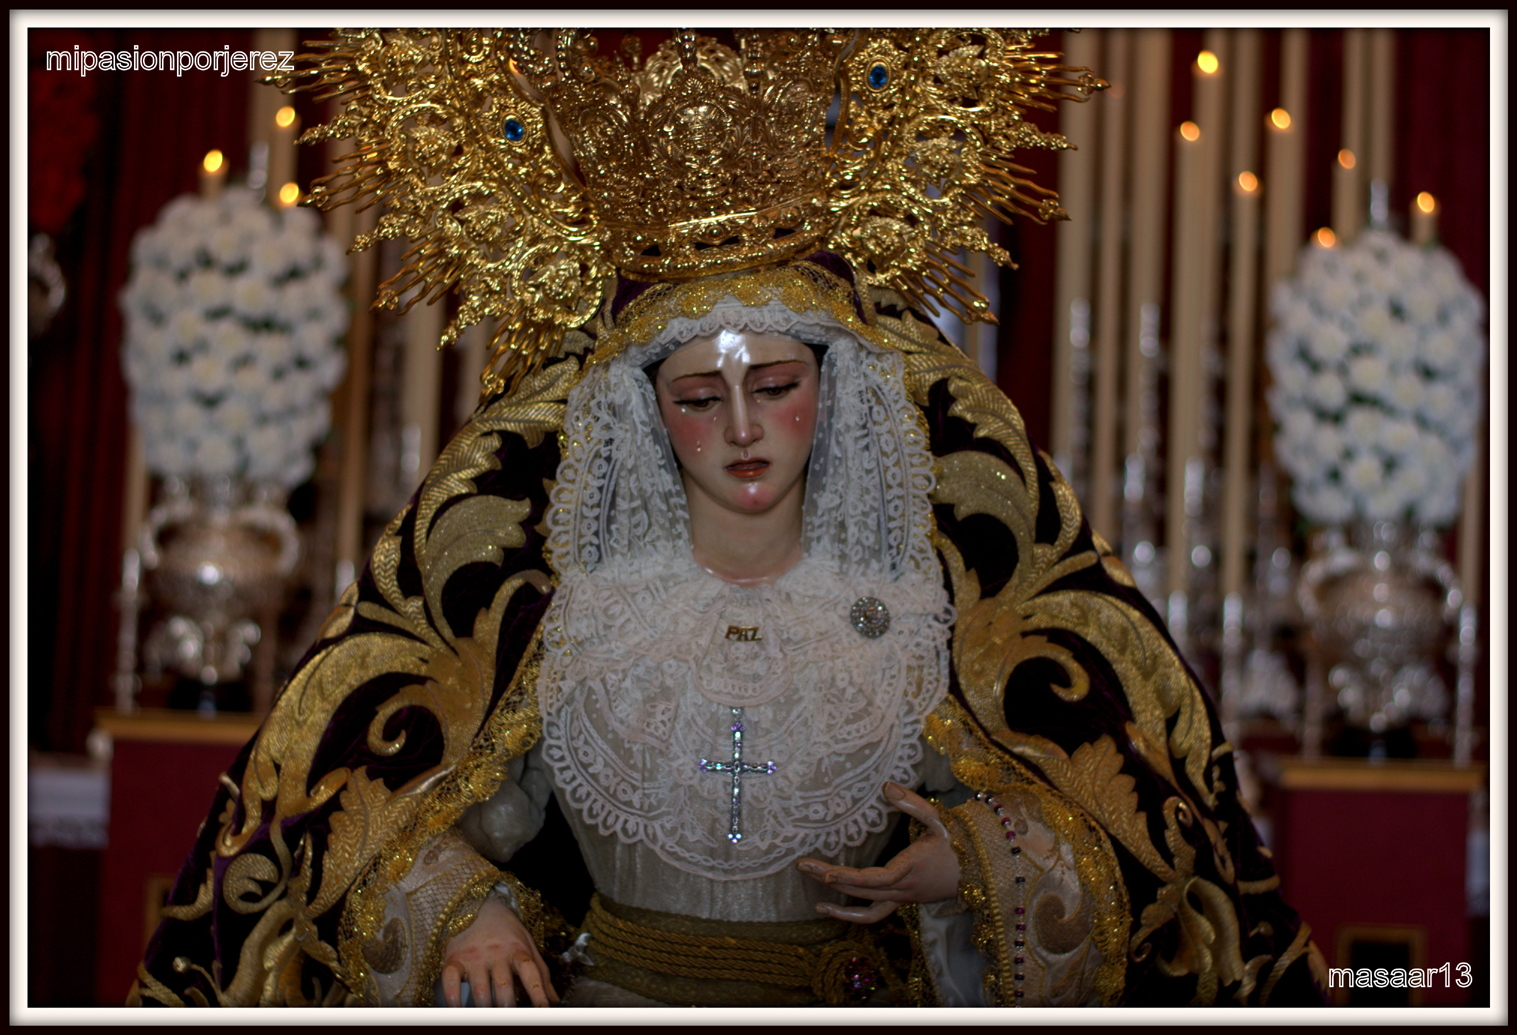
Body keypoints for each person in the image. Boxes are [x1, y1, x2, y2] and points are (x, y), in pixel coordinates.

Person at [129, 28, 1327, 1009]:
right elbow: (391, 821)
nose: (744, 429)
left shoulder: (907, 613)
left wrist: (965, 864)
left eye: (778, 387)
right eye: (700, 398)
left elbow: (1094, 834)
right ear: (645, 413)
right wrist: (466, 906)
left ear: (832, 392)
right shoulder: (577, 621)